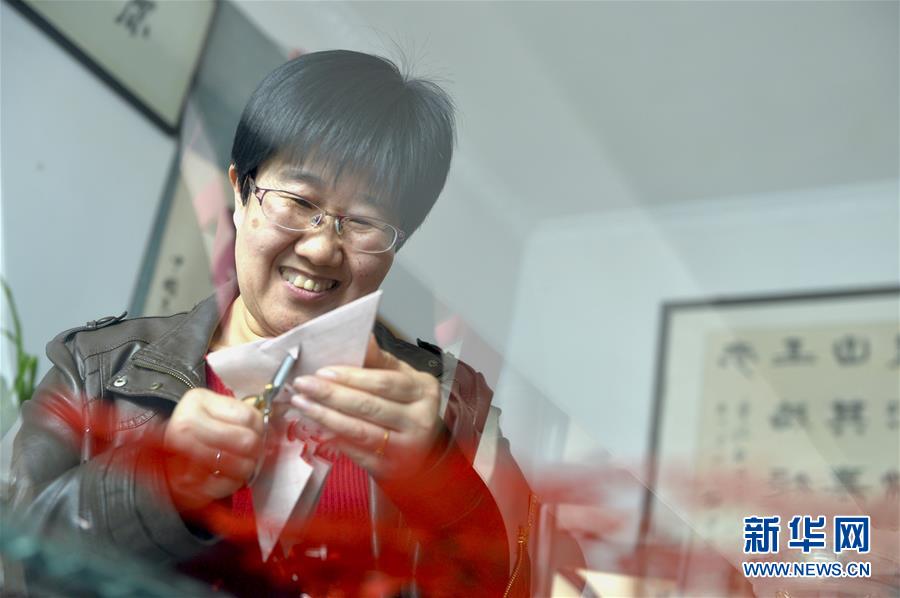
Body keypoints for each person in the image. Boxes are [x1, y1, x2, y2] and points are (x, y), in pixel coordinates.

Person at [10, 50, 546, 596]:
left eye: (363, 221)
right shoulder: (97, 369)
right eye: (297, 200)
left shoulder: (455, 408)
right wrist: (159, 483)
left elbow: (522, 585)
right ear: (240, 193)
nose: (321, 248)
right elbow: (14, 567)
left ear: (396, 246)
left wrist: (436, 481)